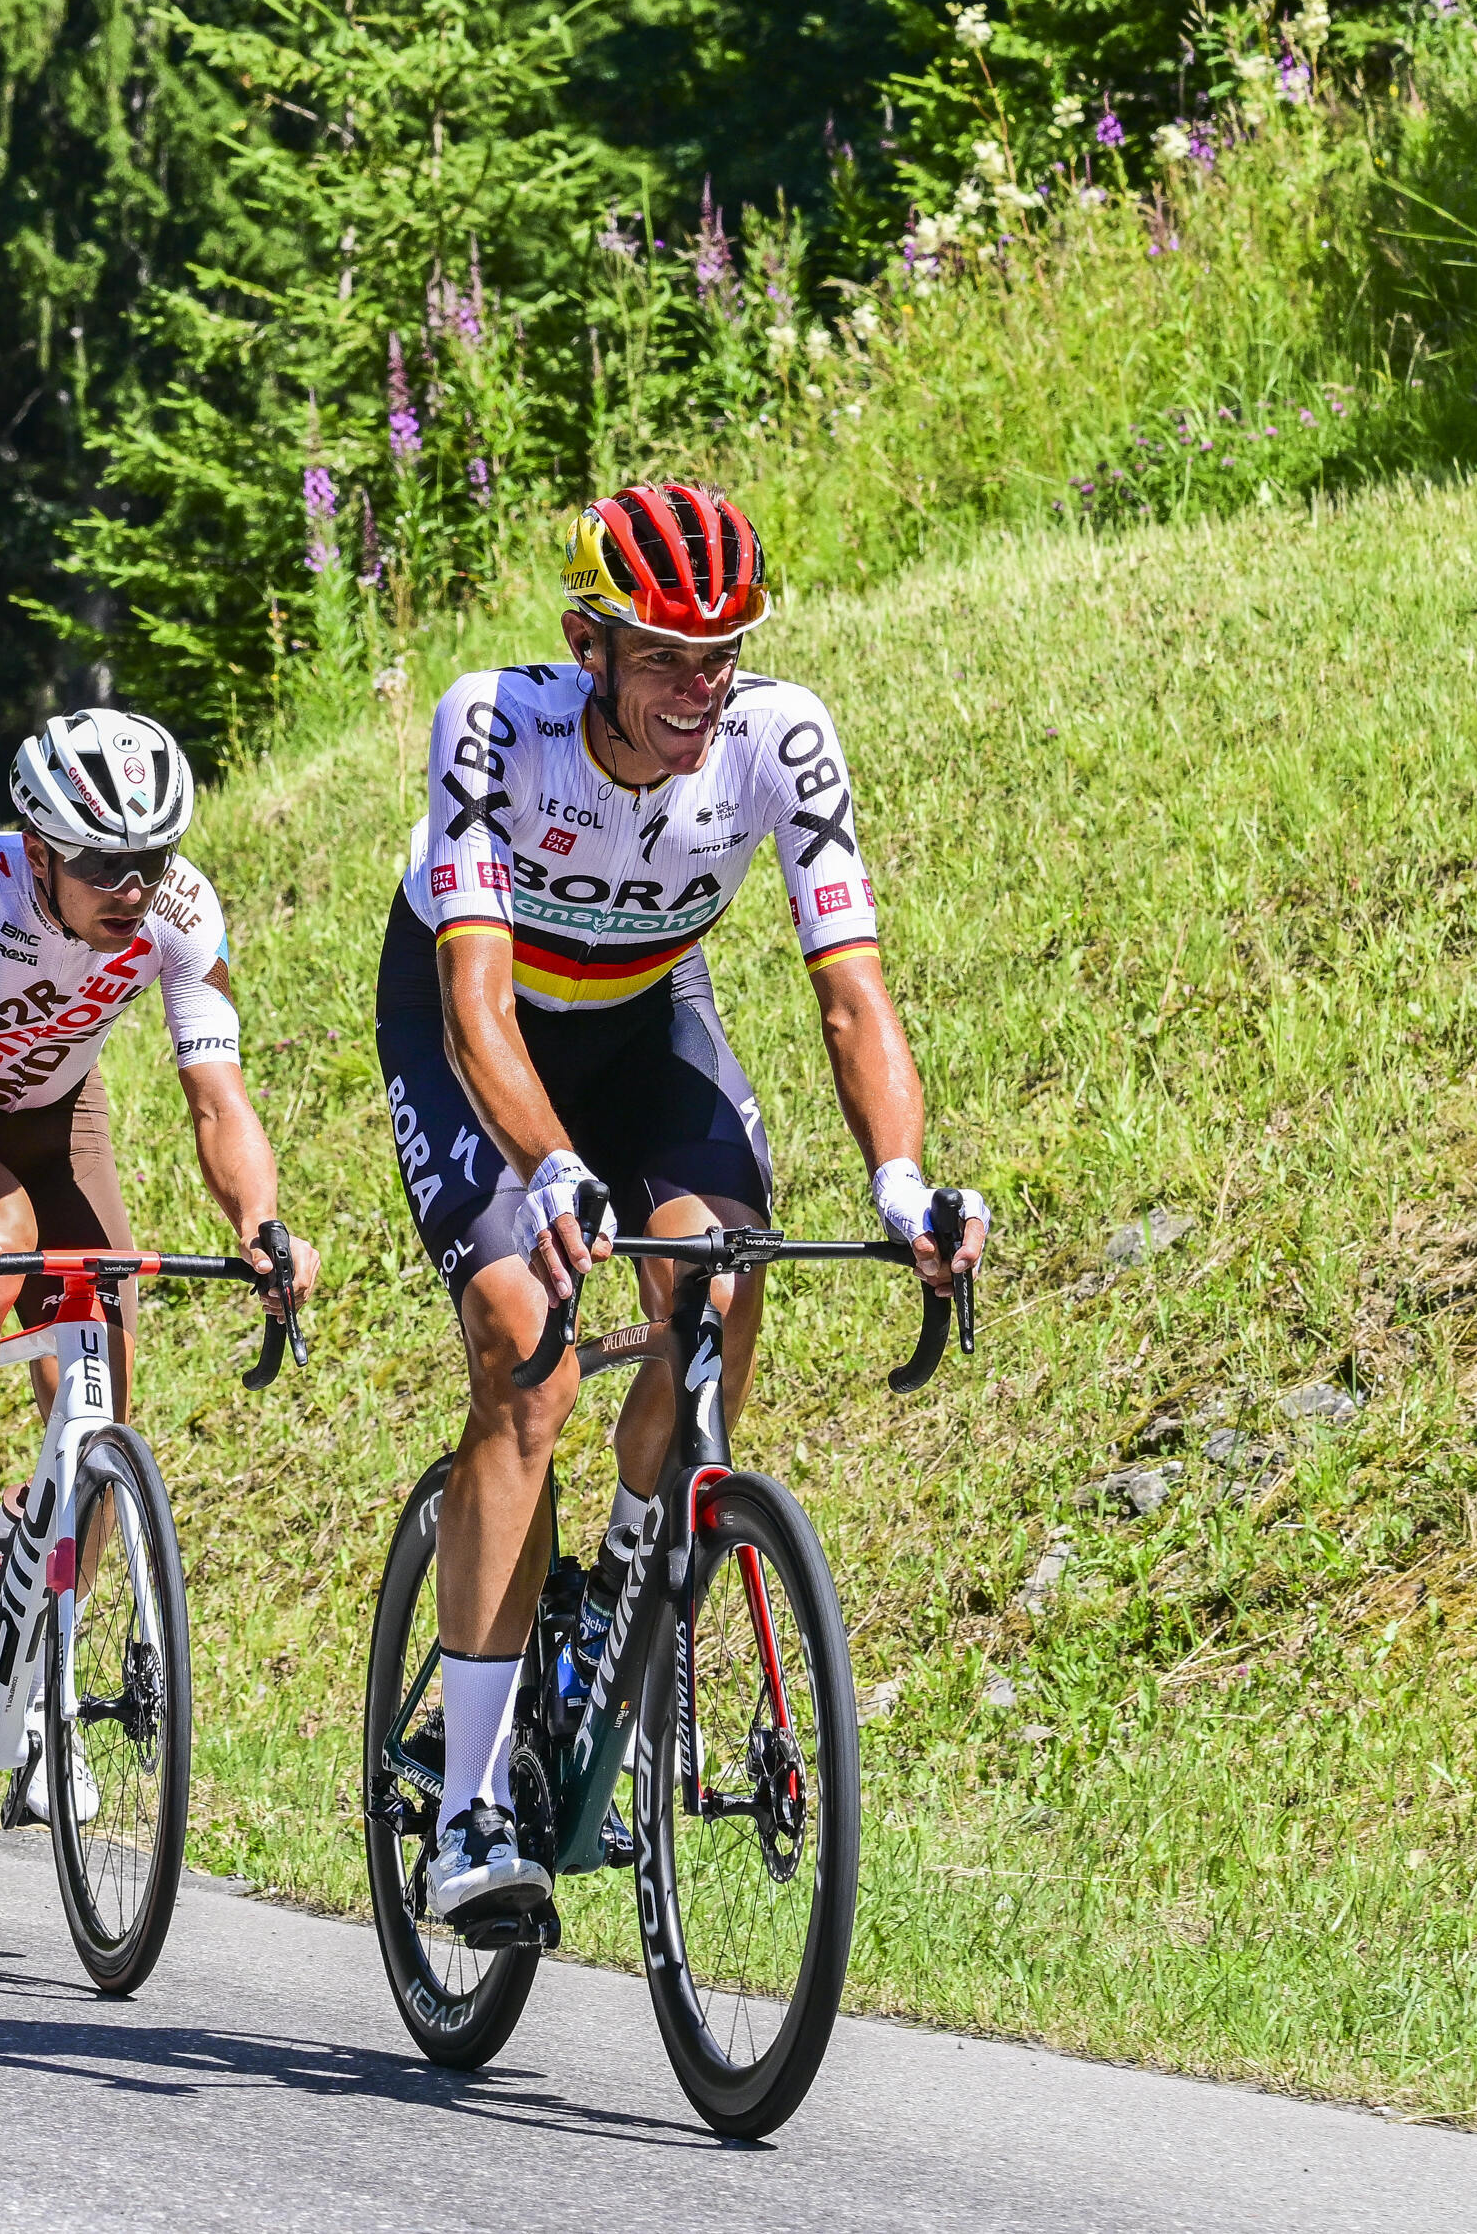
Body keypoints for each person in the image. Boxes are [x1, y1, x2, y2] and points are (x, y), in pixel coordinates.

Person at [382, 481, 987, 1933]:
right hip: (479, 1028)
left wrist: (902, 1181)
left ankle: (613, 1586)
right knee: (524, 1349)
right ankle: (468, 1808)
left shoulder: (781, 738)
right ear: (586, 643)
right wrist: (546, 1165)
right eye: (662, 655)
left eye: (720, 655)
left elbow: (852, 994)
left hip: (647, 1013)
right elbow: (475, 1006)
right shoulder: (494, 723)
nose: (697, 688)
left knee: (718, 1273)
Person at [0, 706, 317, 1680]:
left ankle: (39, 1668)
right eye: (103, 864)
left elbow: (218, 1099)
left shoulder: (182, 911)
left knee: (101, 1379)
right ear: (37, 849)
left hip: (60, 1111)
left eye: (151, 857)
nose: (134, 888)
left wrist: (261, 1223)